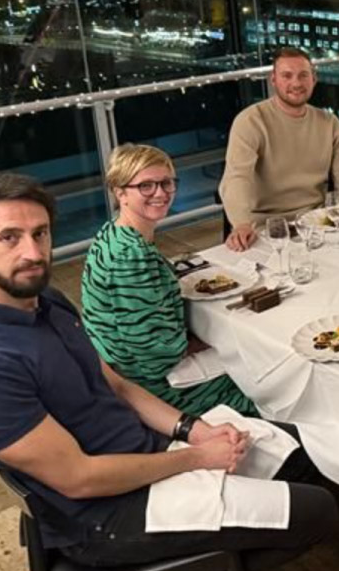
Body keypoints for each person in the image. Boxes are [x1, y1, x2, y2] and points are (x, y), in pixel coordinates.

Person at [0, 173, 336, 571]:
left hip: (147, 454)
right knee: (317, 512)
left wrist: (194, 429)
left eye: (40, 233)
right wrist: (196, 458)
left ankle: (194, 570)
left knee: (309, 453)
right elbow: (79, 478)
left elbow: (117, 384)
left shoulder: (44, 302)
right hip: (104, 516)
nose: (32, 252)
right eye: (8, 238)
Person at [82, 145, 256, 418]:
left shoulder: (112, 232)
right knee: (262, 386)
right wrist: (219, 340)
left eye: (166, 183)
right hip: (150, 388)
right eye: (146, 186)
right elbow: (156, 358)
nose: (160, 193)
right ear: (120, 192)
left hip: (123, 371)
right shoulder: (130, 258)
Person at [219, 46, 339, 252]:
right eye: (287, 75)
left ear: (314, 79)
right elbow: (236, 177)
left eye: (303, 75)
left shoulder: (329, 123)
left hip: (317, 224)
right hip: (266, 228)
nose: (296, 83)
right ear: (273, 79)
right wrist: (241, 223)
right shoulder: (250, 121)